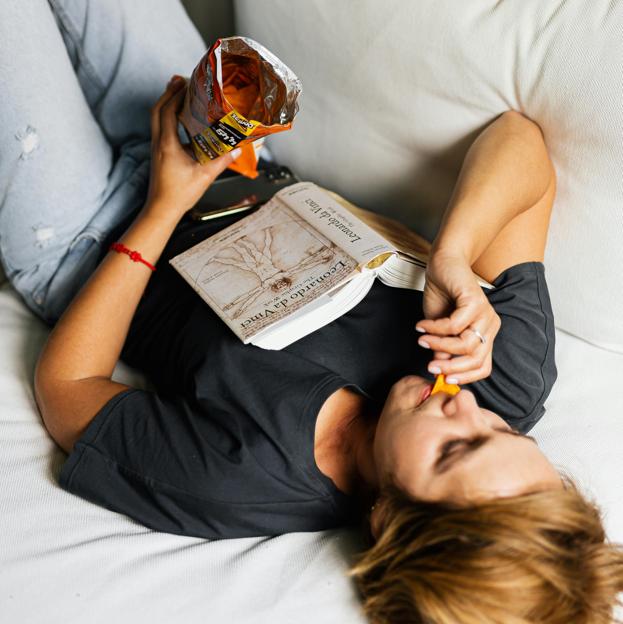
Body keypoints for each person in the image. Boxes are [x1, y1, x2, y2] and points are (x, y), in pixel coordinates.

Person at [2, 2, 621, 623]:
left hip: (87, 236)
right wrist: (452, 256)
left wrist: (163, 208)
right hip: (225, 148)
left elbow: (67, 388)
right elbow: (520, 140)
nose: (469, 409)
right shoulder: (501, 374)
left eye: (453, 451)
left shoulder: (243, 478)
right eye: (505, 434)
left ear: (385, 521)